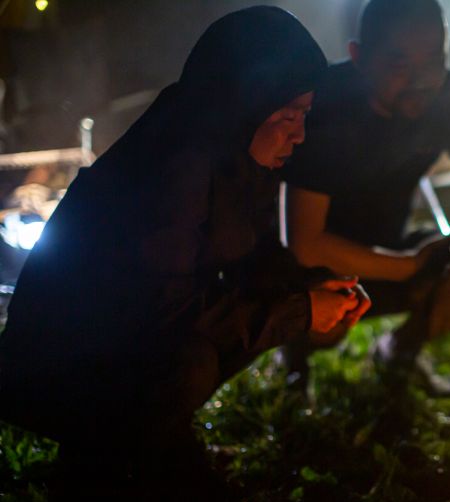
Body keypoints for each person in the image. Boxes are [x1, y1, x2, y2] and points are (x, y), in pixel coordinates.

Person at [0, 6, 370, 471]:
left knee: (238, 325)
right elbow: (168, 309)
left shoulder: (234, 155)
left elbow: (253, 256)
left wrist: (314, 288)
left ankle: (155, 440)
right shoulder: (173, 167)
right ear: (248, 100)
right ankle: (104, 469)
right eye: (289, 115)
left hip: (120, 344)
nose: (299, 135)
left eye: (305, 115)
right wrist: (302, 311)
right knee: (190, 359)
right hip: (55, 368)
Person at [282, 0, 450, 392]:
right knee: (324, 321)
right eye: (399, 64)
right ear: (359, 57)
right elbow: (305, 244)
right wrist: (408, 266)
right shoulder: (327, 103)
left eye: (434, 60)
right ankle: (294, 357)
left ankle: (401, 349)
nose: (422, 79)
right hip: (316, 266)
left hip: (391, 247)